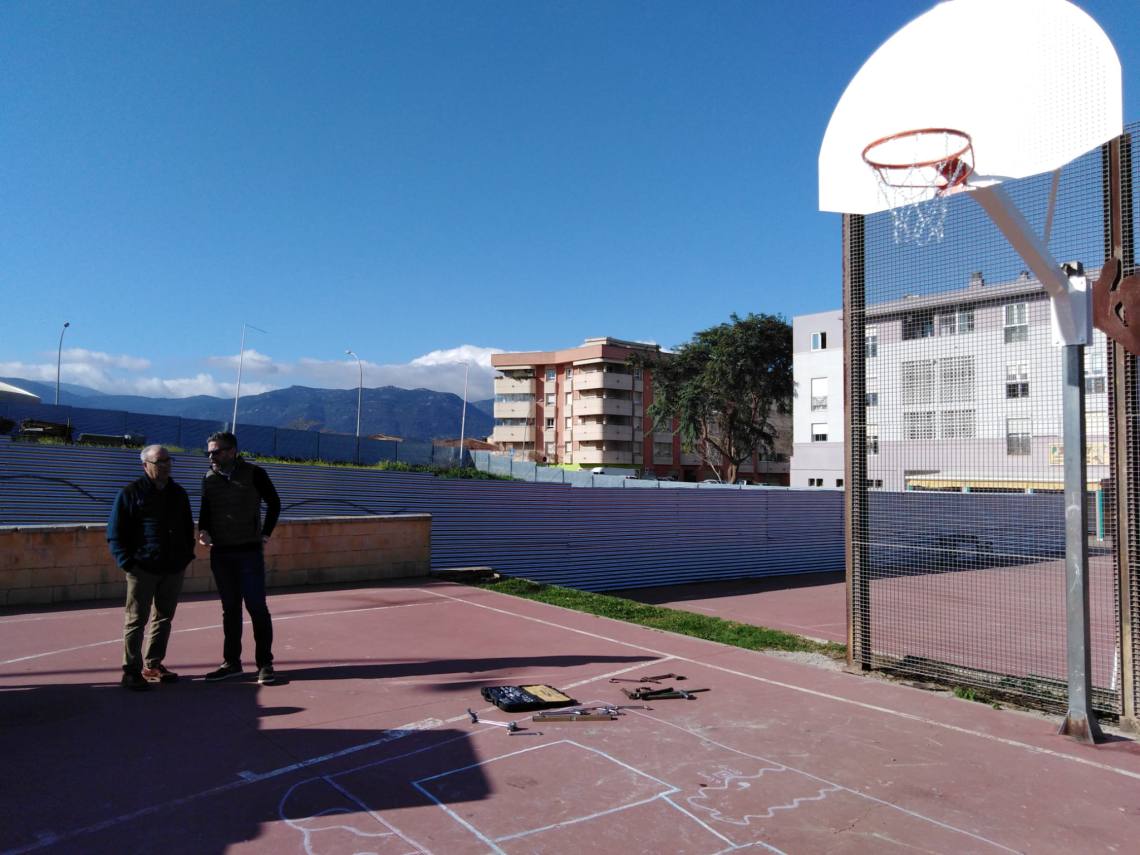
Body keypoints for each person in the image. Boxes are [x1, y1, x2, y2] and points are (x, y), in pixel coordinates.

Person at [107, 445, 195, 691]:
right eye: (159, 462)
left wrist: (186, 556)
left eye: (168, 460)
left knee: (164, 617)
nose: (166, 466)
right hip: (142, 568)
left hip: (173, 566)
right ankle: (131, 671)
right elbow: (114, 533)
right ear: (145, 465)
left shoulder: (178, 493)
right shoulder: (130, 493)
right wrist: (128, 563)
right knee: (136, 620)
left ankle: (153, 665)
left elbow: (187, 527)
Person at [197, 431, 281, 685]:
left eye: (216, 452)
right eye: (208, 452)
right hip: (221, 553)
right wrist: (203, 530)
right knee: (230, 609)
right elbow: (205, 510)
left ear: (232, 451)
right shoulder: (209, 478)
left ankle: (265, 664)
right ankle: (231, 663)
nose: (211, 456)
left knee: (256, 607)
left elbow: (274, 503)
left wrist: (265, 533)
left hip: (249, 552)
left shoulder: (255, 473)